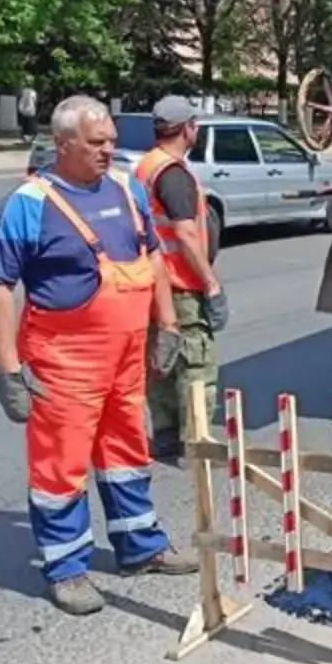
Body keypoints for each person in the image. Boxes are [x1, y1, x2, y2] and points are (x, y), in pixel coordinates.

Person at [0, 94, 198, 616]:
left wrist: (165, 323)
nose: (109, 151)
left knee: (127, 451)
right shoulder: (29, 203)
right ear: (62, 144)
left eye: (112, 141)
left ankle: (140, 545)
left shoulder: (125, 187)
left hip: (124, 356)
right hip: (64, 359)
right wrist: (7, 368)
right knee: (61, 466)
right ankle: (67, 567)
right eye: (96, 143)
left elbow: (151, 256)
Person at [134, 96, 228, 460]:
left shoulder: (146, 166)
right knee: (196, 362)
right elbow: (186, 235)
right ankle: (197, 442)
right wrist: (211, 283)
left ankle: (167, 434)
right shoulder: (173, 174)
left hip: (154, 284)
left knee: (162, 359)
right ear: (187, 128)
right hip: (180, 285)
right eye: (196, 124)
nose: (197, 130)